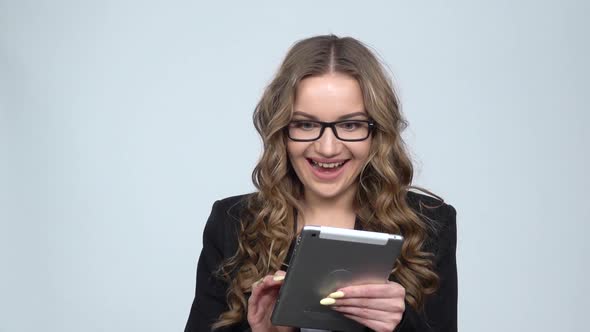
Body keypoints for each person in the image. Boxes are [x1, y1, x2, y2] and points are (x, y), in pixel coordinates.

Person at [184, 34, 457, 332]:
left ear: (377, 131)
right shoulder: (232, 222)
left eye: (350, 125)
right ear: (282, 132)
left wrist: (400, 324)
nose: (328, 148)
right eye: (306, 124)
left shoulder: (429, 222)